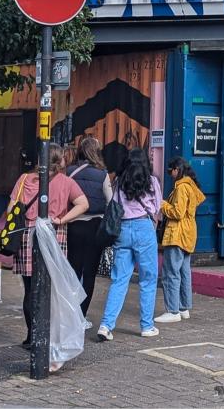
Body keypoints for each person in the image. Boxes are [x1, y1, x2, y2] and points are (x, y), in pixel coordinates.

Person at [8, 142, 88, 349]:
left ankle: (31, 335)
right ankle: (47, 334)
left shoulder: (24, 179)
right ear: (60, 160)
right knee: (51, 288)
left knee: (29, 288)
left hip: (27, 233)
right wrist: (62, 220)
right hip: (55, 234)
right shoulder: (66, 182)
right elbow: (83, 204)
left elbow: (11, 209)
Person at [96, 148, 162, 341]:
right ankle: (146, 326)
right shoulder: (152, 182)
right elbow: (157, 207)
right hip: (144, 228)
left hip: (122, 229)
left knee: (119, 280)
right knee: (148, 279)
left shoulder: (118, 182)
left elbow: (113, 204)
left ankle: (106, 325)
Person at [65, 136, 113, 318]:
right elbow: (110, 201)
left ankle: (70, 312)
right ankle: (81, 315)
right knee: (90, 272)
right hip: (95, 226)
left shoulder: (69, 171)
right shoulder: (102, 174)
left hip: (74, 226)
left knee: (74, 270)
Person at [155, 156, 205, 324]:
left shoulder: (181, 187)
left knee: (170, 272)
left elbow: (177, 212)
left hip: (177, 233)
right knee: (184, 271)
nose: (170, 174)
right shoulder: (191, 186)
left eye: (171, 171)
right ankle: (183, 308)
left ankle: (172, 310)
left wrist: (162, 204)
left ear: (177, 169)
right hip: (188, 233)